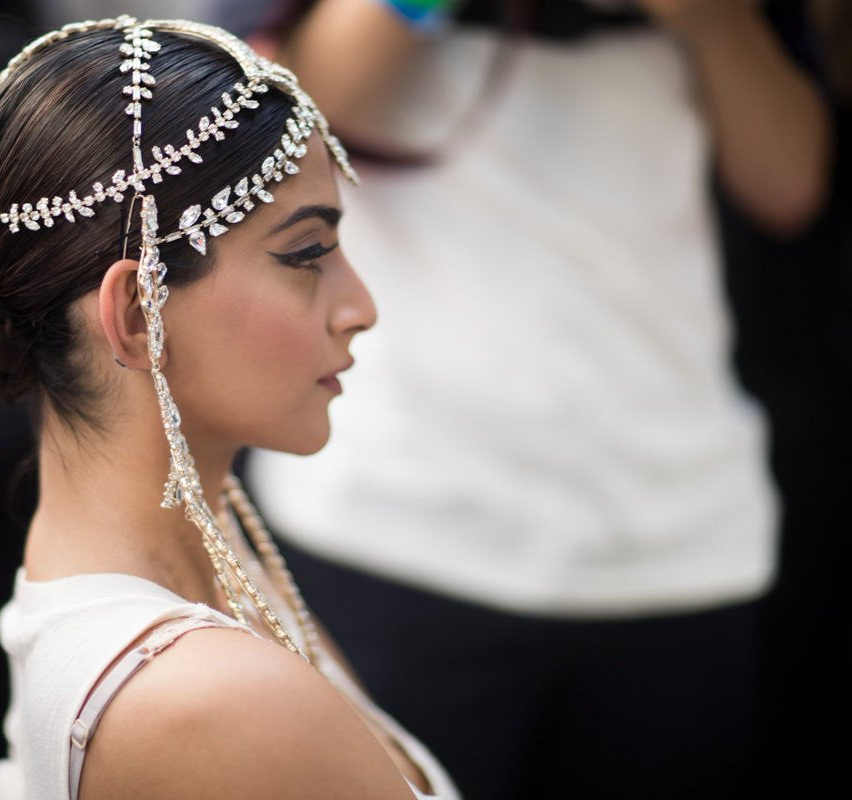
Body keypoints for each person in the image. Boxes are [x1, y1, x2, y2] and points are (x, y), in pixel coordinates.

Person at [248, 1, 831, 799]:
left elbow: (791, 185)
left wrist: (707, 18)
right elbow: (287, 118)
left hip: (680, 532)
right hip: (395, 513)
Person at [0, 16, 460, 800]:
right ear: (135, 311)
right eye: (306, 255)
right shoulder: (202, 700)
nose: (360, 306)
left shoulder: (199, 548)